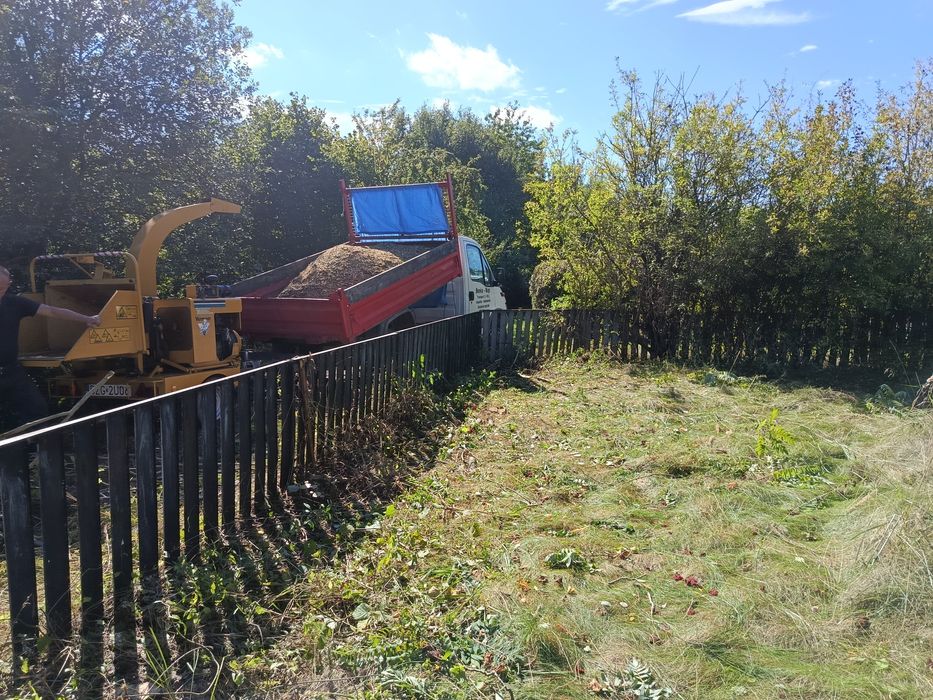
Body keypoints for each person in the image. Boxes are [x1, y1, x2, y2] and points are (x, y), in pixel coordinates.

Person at [0, 264, 101, 431]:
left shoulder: (15, 304)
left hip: (11, 371)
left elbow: (53, 311)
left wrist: (86, 318)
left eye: (2, 288)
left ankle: (39, 451)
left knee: (37, 409)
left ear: (9, 284)